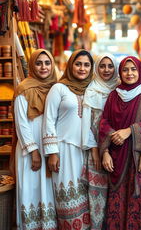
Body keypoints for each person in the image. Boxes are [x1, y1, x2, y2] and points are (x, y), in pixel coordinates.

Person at [99, 56, 141, 229]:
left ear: (139, 71)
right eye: (125, 69)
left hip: (138, 155)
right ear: (120, 72)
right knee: (116, 203)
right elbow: (104, 123)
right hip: (117, 157)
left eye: (133, 69)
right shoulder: (114, 95)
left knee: (138, 201)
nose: (129, 73)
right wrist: (105, 152)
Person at [42, 49, 94, 229]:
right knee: (66, 196)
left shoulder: (92, 88)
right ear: (71, 65)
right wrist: (52, 153)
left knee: (85, 197)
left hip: (85, 151)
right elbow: (48, 120)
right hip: (64, 151)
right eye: (78, 64)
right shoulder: (59, 88)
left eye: (86, 65)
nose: (82, 68)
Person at [14, 49, 57, 230]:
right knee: (30, 191)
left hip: (49, 147)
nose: (43, 67)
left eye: (47, 63)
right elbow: (21, 123)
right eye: (38, 63)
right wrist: (34, 152)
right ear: (32, 65)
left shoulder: (56, 87)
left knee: (48, 191)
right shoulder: (23, 88)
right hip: (29, 148)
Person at [81, 53, 119, 229]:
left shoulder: (120, 89)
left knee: (116, 192)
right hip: (96, 149)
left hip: (118, 149)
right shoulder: (91, 90)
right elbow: (87, 124)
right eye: (102, 66)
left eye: (110, 66)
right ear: (97, 68)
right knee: (97, 194)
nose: (106, 70)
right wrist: (95, 150)